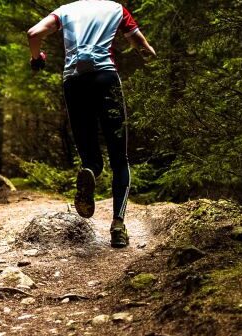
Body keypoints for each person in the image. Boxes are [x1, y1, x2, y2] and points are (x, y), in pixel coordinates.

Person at [26, 0, 155, 248]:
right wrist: (152, 57)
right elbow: (140, 43)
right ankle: (118, 226)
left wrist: (37, 58)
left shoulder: (65, 10)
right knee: (120, 158)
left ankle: (91, 172)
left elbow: (34, 33)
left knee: (90, 158)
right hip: (106, 78)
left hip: (74, 82)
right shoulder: (116, 9)